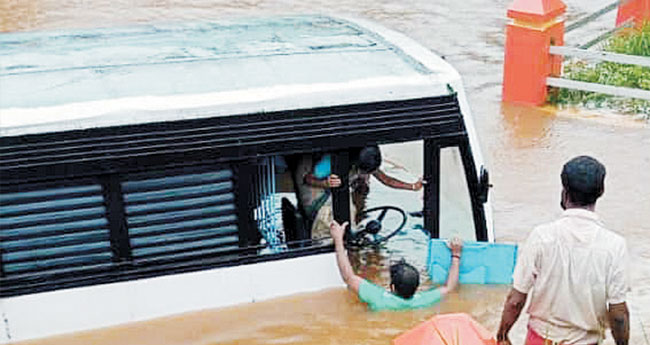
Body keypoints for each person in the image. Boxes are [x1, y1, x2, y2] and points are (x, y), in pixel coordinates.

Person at [496, 156, 629, 345]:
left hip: (540, 340)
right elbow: (618, 314)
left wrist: (502, 335)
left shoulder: (541, 236)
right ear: (601, 191)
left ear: (564, 192)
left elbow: (515, 300)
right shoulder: (614, 245)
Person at [284, 146, 424, 243]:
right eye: (364, 173)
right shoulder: (328, 163)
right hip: (317, 187)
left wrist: (412, 186)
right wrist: (326, 183)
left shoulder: (368, 160)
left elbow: (386, 179)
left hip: (334, 185)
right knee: (327, 219)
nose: (367, 176)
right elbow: (308, 179)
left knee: (352, 206)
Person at [329, 220, 462, 311]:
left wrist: (338, 239)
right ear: (417, 287)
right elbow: (449, 287)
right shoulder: (423, 300)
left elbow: (348, 277)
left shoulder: (379, 299)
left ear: (392, 287)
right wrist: (456, 254)